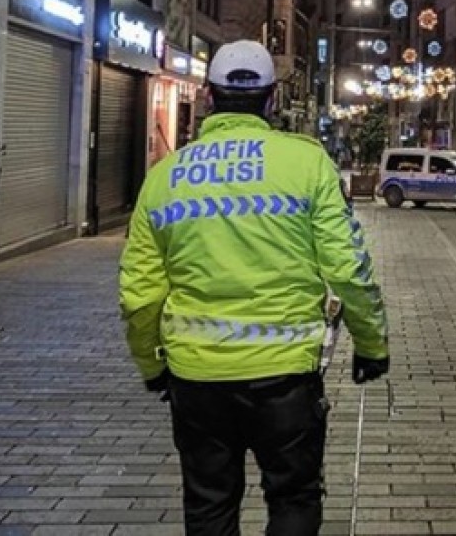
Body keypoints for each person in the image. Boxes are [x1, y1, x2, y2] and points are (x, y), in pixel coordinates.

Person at [119, 40, 390, 535]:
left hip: (196, 376)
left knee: (209, 503)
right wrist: (371, 345)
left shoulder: (164, 177)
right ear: (271, 99)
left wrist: (151, 363)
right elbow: (349, 267)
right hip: (285, 377)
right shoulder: (307, 165)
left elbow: (139, 291)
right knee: (293, 497)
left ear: (207, 98)